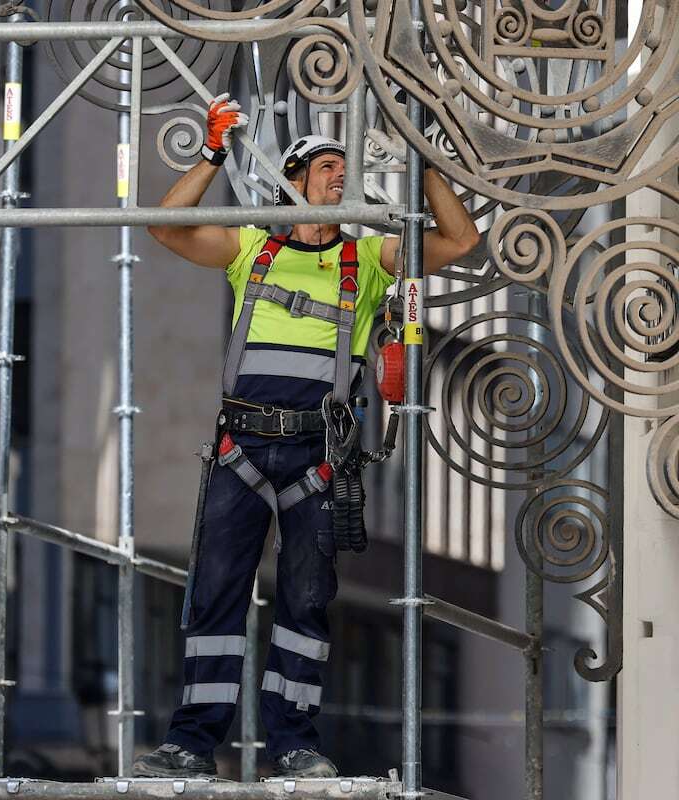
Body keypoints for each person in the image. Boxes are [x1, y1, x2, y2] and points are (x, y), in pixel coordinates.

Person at [131, 94, 480, 779]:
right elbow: (166, 228)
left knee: (307, 602)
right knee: (216, 593)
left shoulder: (368, 259)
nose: (336, 177)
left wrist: (425, 161)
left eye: (340, 166)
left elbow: (460, 241)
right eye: (324, 166)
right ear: (292, 179)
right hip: (242, 448)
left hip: (317, 456)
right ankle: (192, 744)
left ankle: (293, 744)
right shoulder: (252, 248)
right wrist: (211, 153)